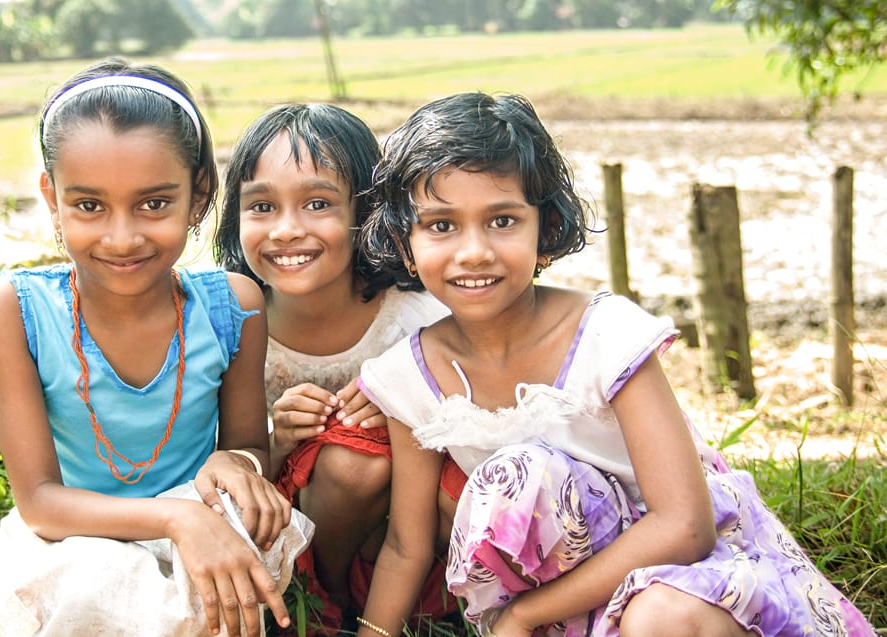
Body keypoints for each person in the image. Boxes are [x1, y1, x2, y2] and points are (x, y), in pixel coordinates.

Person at [352, 91, 875, 637]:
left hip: (688, 575)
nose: (473, 251)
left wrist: (525, 614)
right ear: (404, 245)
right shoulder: (408, 377)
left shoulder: (604, 335)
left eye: (503, 220)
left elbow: (685, 526)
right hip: (565, 598)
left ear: (547, 231)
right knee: (517, 477)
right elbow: (407, 545)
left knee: (656, 618)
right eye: (441, 226)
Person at [0, 58, 312, 637]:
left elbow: (247, 447)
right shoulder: (13, 308)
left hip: (197, 526)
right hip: (75, 538)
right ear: (51, 196)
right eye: (89, 206)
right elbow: (39, 501)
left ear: (200, 192)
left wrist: (236, 465)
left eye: (154, 204)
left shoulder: (234, 305)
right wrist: (176, 518)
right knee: (93, 581)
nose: (122, 236)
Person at [211, 103, 450, 633]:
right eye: (262, 207)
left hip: (404, 531)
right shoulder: (225, 325)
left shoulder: (417, 321)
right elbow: (215, 459)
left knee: (364, 457)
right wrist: (278, 440)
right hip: (280, 528)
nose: (287, 230)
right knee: (348, 462)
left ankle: (380, 601)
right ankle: (320, 605)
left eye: (317, 203)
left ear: (366, 212)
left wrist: (403, 410)